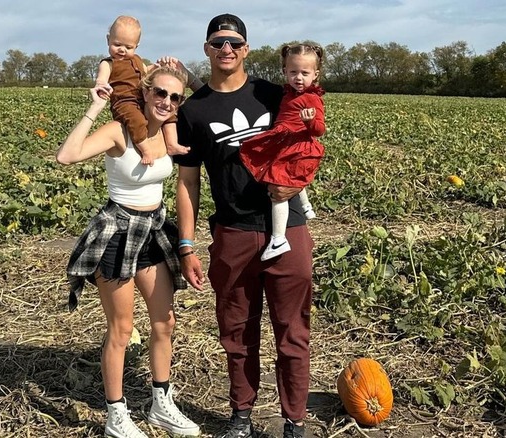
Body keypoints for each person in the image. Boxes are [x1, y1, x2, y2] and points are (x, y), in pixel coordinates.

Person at [173, 13, 314, 438]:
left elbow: (309, 140)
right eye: (218, 43)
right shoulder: (194, 109)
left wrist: (301, 181)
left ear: (246, 49)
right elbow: (188, 181)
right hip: (232, 232)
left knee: (293, 331)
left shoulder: (274, 94)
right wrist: (186, 243)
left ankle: (294, 421)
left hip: (287, 229)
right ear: (207, 49)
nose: (226, 49)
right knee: (236, 331)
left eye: (234, 42)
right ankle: (242, 416)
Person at [56, 65, 201, 438]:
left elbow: (210, 102)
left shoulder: (169, 134)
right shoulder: (119, 132)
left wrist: (185, 72)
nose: (166, 102)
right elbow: (67, 156)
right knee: (121, 329)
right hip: (118, 232)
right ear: (145, 93)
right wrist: (94, 107)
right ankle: (115, 414)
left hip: (152, 232)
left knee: (164, 322)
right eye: (160, 94)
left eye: (174, 97)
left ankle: (160, 403)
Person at [239, 42, 325, 261]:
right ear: (285, 71)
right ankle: (306, 206)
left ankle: (278, 239)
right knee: (291, 178)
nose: (298, 77)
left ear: (315, 75)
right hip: (285, 143)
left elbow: (320, 130)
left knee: (279, 189)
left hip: (297, 146)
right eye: (293, 72)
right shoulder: (287, 93)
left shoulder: (312, 98)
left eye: (304, 73)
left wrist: (309, 122)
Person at [95, 15, 191, 166]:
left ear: (136, 46)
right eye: (117, 44)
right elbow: (102, 78)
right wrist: (101, 85)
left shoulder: (137, 60)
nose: (122, 50)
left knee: (170, 115)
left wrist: (157, 67)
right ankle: (146, 150)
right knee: (137, 121)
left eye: (128, 47)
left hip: (140, 96)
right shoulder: (109, 63)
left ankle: (172, 143)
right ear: (108, 40)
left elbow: (146, 70)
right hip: (124, 102)